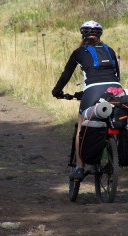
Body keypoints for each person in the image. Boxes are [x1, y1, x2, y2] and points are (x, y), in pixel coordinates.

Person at [52, 20, 121, 180]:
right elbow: (116, 74)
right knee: (113, 119)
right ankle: (113, 155)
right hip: (115, 88)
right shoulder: (109, 50)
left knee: (81, 125)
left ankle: (79, 167)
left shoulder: (79, 52)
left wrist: (57, 91)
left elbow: (66, 74)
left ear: (83, 35)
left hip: (93, 90)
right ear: (99, 36)